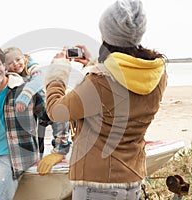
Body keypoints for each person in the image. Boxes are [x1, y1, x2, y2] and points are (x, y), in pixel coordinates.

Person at [41, 0, 167, 199]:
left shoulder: (99, 82)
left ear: (105, 34)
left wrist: (58, 72)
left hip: (97, 183)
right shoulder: (156, 72)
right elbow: (113, 92)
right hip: (132, 177)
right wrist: (93, 63)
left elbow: (56, 111)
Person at [0, 45, 71, 200]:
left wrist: (60, 150)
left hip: (13, 159)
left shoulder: (26, 92)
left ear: (4, 66)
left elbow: (57, 115)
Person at [0, 46, 69, 157]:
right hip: (30, 111)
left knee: (54, 121)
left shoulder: (32, 67)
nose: (16, 64)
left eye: (18, 60)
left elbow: (39, 79)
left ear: (24, 58)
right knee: (37, 136)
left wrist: (25, 95)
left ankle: (59, 146)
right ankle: (39, 155)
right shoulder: (6, 76)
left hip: (38, 100)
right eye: (10, 63)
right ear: (5, 66)